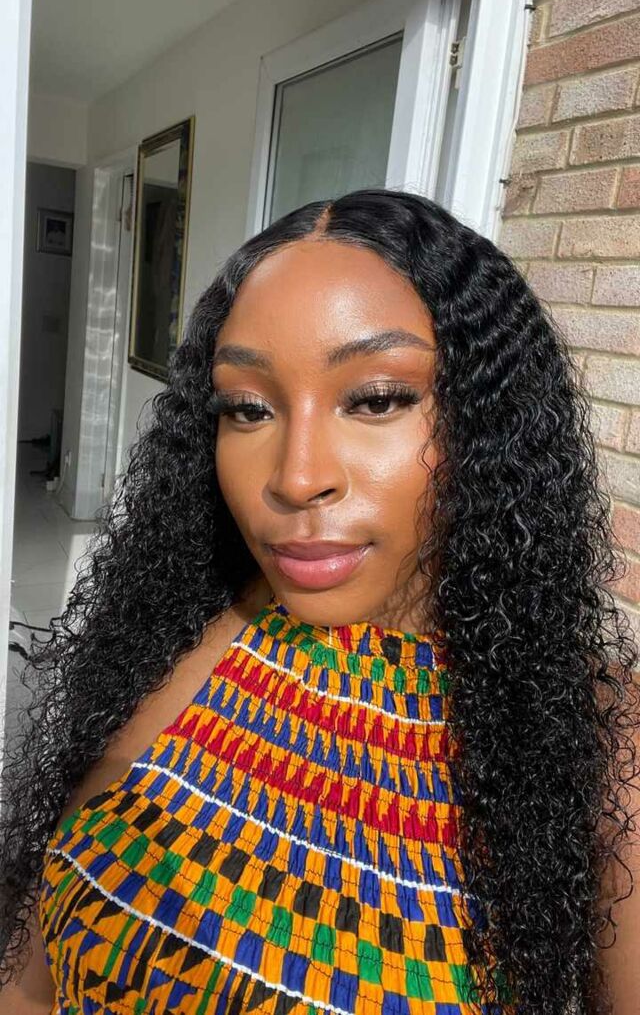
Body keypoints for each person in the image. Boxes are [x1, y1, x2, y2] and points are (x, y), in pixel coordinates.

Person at [1, 188, 638, 1015]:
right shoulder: (193, 632)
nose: (296, 476)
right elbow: (28, 971)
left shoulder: (593, 742)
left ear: (492, 420)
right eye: (248, 408)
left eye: (376, 399)